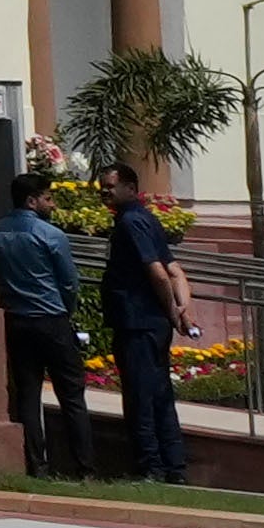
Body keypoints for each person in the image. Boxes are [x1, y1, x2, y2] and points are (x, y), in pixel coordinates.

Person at [0, 163, 93, 479]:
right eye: (47, 198)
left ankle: (37, 464)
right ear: (32, 201)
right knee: (71, 394)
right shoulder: (51, 235)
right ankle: (83, 466)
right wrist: (66, 311)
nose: (52, 204)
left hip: (17, 319)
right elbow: (69, 283)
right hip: (51, 318)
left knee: (28, 394)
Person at [96, 168, 186, 496]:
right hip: (151, 322)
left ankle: (151, 466)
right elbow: (175, 271)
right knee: (159, 394)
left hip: (138, 321)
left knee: (140, 397)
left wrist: (172, 310)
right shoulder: (146, 218)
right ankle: (173, 466)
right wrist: (181, 310)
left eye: (110, 186)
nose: (104, 192)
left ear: (131, 188)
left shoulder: (131, 223)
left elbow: (160, 273)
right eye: (102, 187)